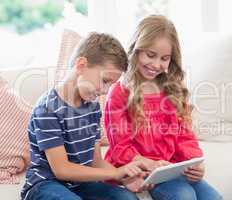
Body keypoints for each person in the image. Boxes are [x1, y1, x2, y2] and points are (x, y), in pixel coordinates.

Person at [104, 15, 223, 200]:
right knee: (183, 196)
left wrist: (195, 163)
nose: (156, 64)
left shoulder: (172, 89)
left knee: (213, 197)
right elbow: (120, 147)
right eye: (150, 55)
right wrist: (149, 164)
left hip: (170, 167)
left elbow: (185, 136)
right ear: (136, 50)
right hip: (137, 169)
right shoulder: (119, 92)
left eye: (164, 58)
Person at [21, 32, 144, 200]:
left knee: (126, 198)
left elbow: (96, 162)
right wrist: (116, 172)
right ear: (81, 65)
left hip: (80, 184)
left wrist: (124, 178)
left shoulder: (92, 107)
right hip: (46, 184)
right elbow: (61, 170)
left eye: (111, 84)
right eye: (105, 81)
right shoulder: (47, 109)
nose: (106, 91)